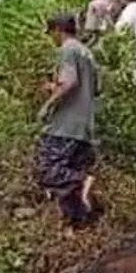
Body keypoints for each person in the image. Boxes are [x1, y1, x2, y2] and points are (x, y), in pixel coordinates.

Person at [36, 13, 101, 228]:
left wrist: (48, 102)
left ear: (58, 31)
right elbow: (95, 88)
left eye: (51, 33)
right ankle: (79, 224)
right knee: (70, 193)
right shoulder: (87, 53)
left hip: (65, 126)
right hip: (84, 126)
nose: (51, 39)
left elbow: (70, 82)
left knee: (49, 169)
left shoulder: (68, 50)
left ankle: (83, 181)